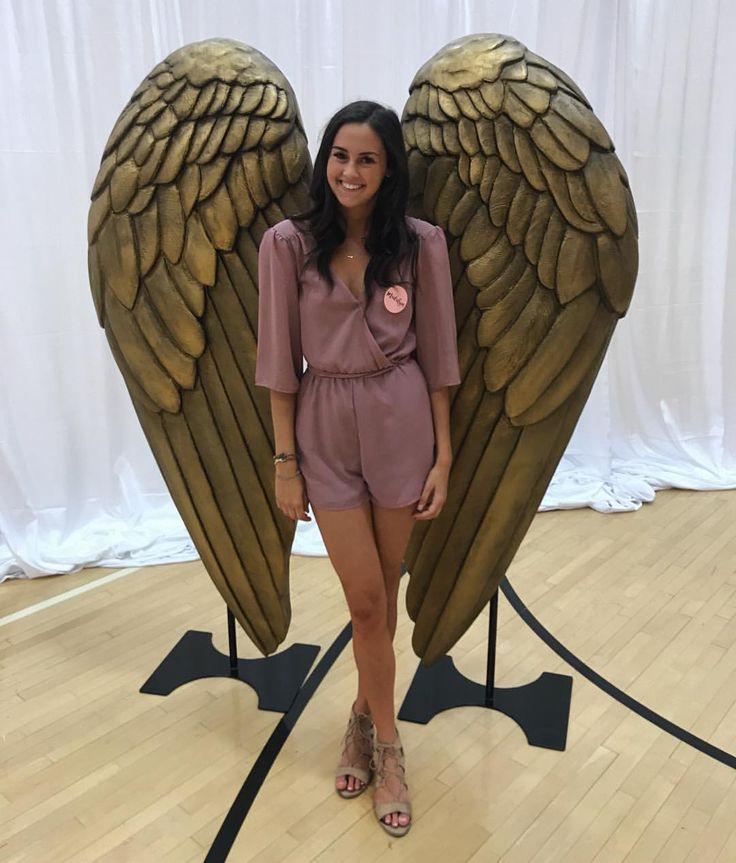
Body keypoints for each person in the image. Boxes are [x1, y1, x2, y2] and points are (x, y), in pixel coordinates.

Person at [255, 100, 460, 838]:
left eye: (368, 158)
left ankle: (360, 720)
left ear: (389, 168)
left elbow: (439, 357)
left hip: (402, 424)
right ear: (325, 160)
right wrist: (285, 462)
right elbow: (279, 365)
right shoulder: (287, 246)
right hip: (324, 428)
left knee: (381, 600)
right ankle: (393, 747)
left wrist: (445, 451)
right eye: (341, 155)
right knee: (367, 603)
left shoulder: (420, 245)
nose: (351, 170)